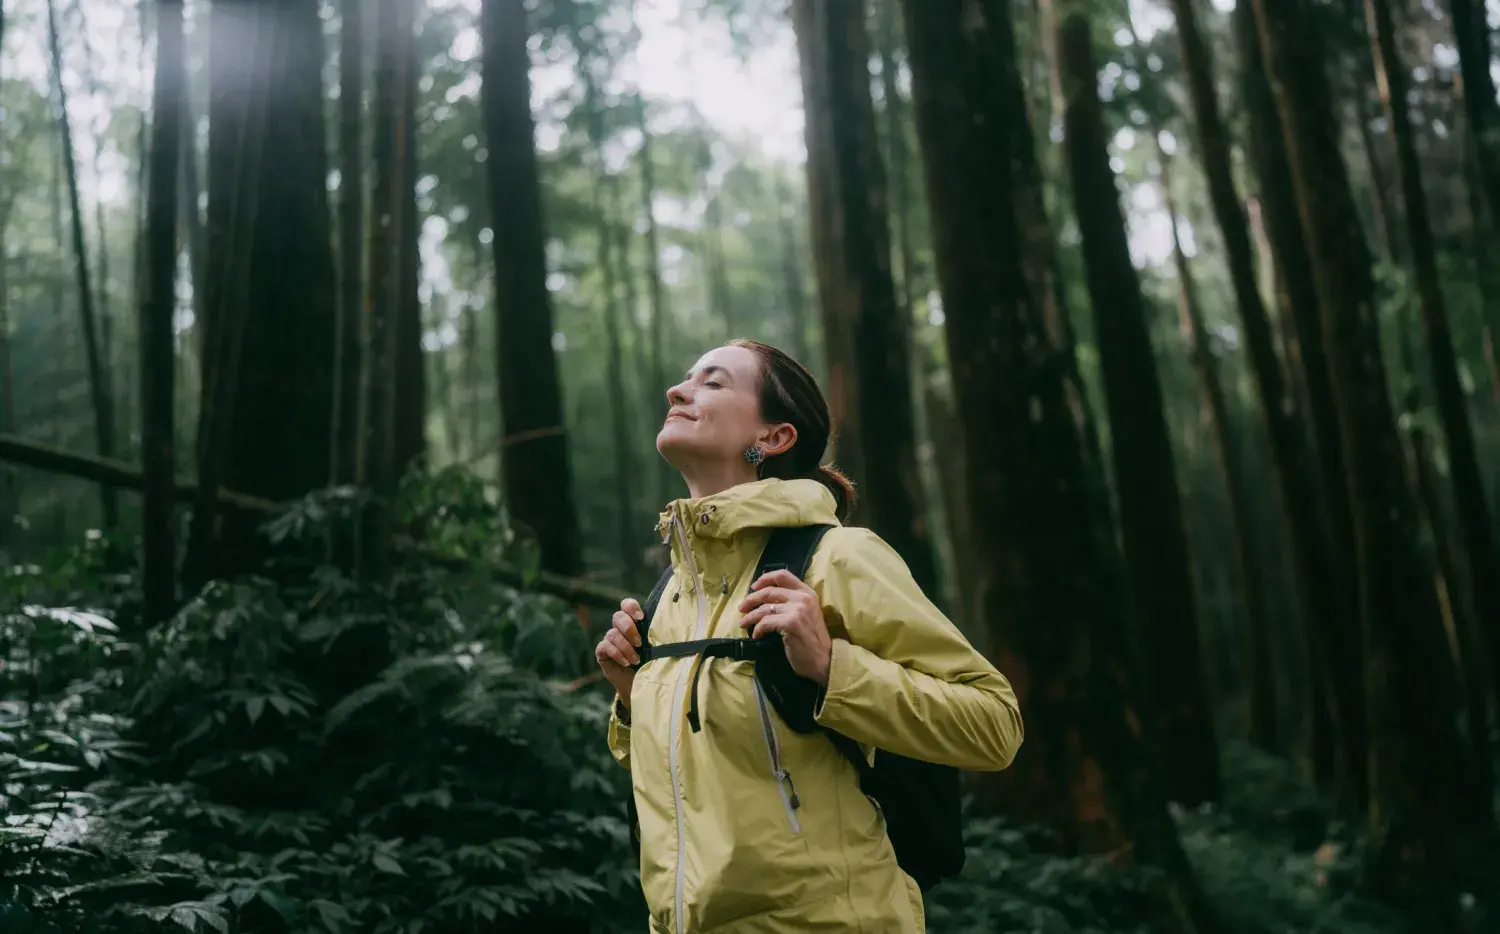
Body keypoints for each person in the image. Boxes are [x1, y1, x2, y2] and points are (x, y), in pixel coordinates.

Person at [594, 339, 1023, 934]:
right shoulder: (668, 594)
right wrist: (633, 698)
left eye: (713, 382)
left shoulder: (838, 558)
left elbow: (995, 725)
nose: (678, 390)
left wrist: (831, 668)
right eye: (686, 377)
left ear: (774, 438)